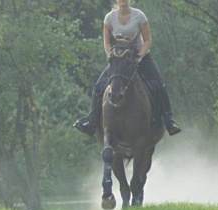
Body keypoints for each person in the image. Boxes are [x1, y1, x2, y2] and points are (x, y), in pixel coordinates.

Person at [73, 0, 181, 137]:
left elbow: (148, 41)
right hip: (118, 61)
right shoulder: (109, 18)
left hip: (139, 57)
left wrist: (140, 56)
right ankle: (91, 122)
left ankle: (168, 120)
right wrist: (111, 58)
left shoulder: (140, 16)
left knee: (158, 84)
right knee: (99, 86)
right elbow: (106, 42)